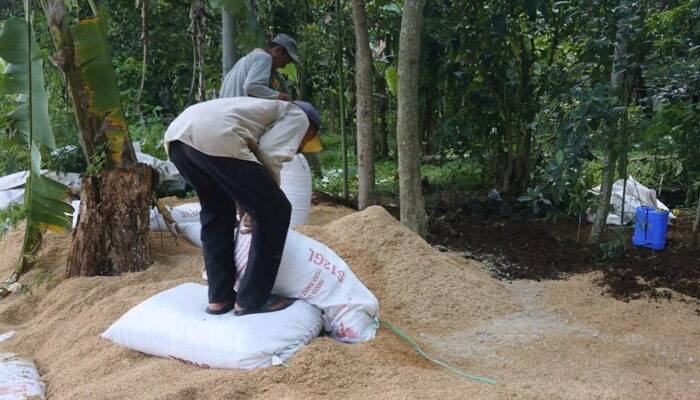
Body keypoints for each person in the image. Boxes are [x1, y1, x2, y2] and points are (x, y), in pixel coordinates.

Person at [165, 97, 322, 316]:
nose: (302, 146)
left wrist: (248, 205)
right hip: (214, 136)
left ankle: (219, 297)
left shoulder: (259, 112)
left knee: (217, 212)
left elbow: (243, 169)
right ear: (311, 127)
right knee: (275, 210)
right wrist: (258, 204)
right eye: (307, 141)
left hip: (178, 139)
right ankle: (253, 298)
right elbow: (269, 154)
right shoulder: (298, 116)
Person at [220, 33, 300, 101]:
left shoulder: (243, 61)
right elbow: (252, 86)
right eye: (286, 61)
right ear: (279, 50)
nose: (283, 66)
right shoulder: (264, 57)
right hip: (237, 115)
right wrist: (281, 96)